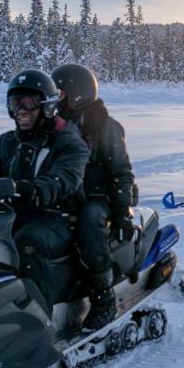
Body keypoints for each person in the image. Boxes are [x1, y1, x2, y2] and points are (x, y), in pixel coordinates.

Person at [0, 68, 89, 312]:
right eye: (15, 102)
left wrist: (33, 190)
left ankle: (40, 320)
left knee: (27, 243)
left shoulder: (67, 139)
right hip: (12, 214)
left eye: (29, 102)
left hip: (56, 216)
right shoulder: (8, 141)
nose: (21, 110)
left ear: (46, 105)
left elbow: (65, 178)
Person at [51, 63, 136, 332]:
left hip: (100, 197)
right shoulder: (55, 125)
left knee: (88, 222)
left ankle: (103, 300)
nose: (56, 99)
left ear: (77, 93)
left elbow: (121, 171)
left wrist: (122, 212)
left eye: (60, 93)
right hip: (66, 195)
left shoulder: (105, 126)